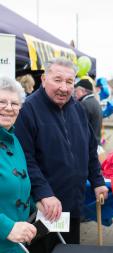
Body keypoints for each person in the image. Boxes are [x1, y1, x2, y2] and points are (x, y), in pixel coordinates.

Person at [15, 57, 108, 253]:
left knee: (67, 249)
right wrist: (44, 193)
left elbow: (90, 148)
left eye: (69, 81)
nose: (64, 88)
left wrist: (98, 181)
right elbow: (25, 158)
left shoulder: (77, 108)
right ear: (43, 79)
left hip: (72, 204)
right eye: (57, 80)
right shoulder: (28, 109)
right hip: (42, 207)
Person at [0, 77, 37, 253]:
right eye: (2, 102)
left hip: (16, 246)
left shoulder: (14, 140)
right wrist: (6, 227)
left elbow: (18, 186)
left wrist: (37, 205)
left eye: (14, 103)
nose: (8, 108)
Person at [74, 77, 103, 145]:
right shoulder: (94, 101)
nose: (75, 94)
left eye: (76, 91)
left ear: (83, 91)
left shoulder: (84, 104)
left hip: (88, 144)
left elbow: (80, 129)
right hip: (95, 143)